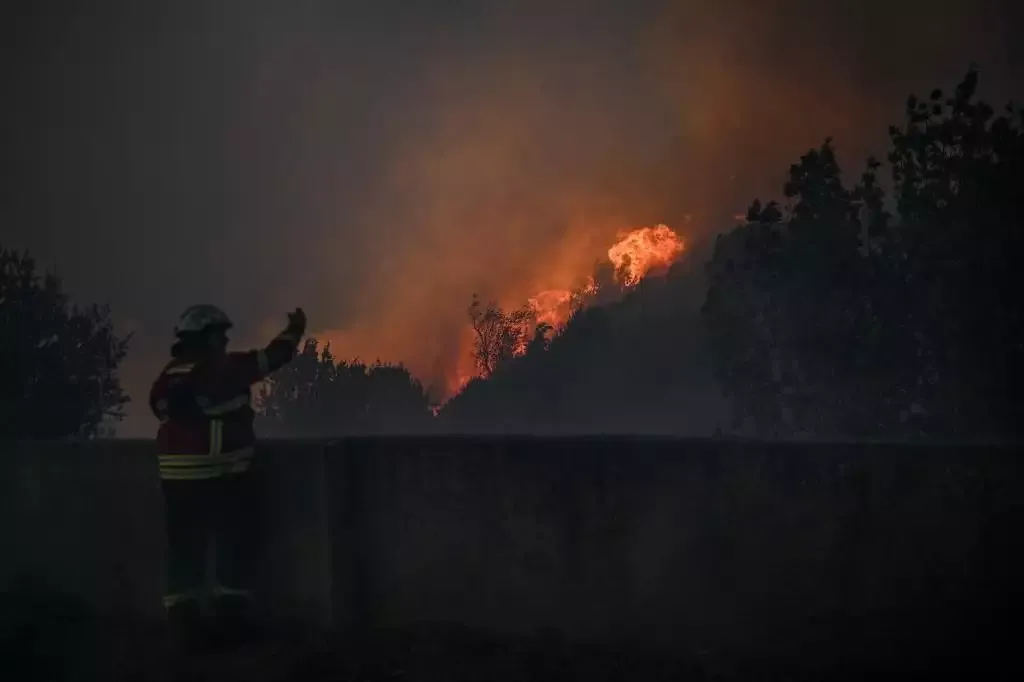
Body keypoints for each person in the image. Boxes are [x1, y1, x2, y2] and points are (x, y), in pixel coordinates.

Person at [148, 304, 307, 639]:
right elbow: (271, 358)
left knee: (183, 550)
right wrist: (295, 329)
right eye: (220, 334)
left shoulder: (170, 374)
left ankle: (184, 626)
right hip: (220, 475)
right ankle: (230, 624)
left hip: (176, 479)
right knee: (232, 544)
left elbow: (159, 407)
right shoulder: (224, 369)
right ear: (206, 337)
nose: (224, 340)